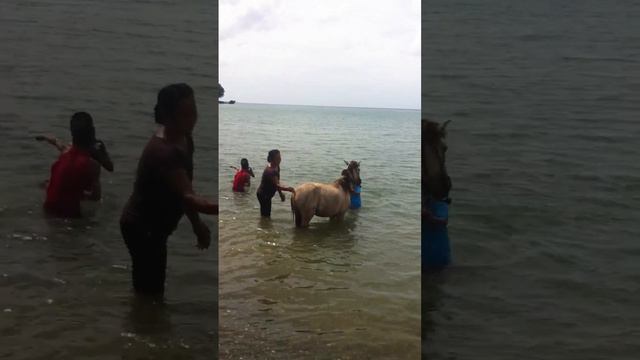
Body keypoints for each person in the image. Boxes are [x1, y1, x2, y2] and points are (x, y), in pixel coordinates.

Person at [120, 83, 218, 297]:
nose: (192, 118)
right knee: (151, 293)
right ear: (167, 116)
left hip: (155, 227)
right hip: (141, 227)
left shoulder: (185, 138)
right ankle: (141, 325)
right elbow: (190, 197)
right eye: (185, 114)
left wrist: (197, 224)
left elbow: (184, 190)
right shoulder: (163, 152)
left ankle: (142, 323)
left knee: (151, 291)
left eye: (194, 112)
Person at [42, 112, 104, 217]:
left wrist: (54, 141)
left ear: (72, 133)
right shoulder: (93, 166)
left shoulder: (66, 153)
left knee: (47, 184)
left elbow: (63, 148)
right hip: (70, 216)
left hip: (47, 210)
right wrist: (80, 194)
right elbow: (96, 198)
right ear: (93, 133)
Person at [256, 149, 295, 217]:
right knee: (266, 215)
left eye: (280, 157)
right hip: (263, 195)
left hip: (267, 194)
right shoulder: (270, 171)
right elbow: (277, 185)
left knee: (266, 214)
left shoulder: (276, 166)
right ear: (271, 159)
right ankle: (264, 226)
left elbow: (277, 183)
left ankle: (264, 225)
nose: (279, 159)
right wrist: (288, 189)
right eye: (277, 158)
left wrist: (280, 194)